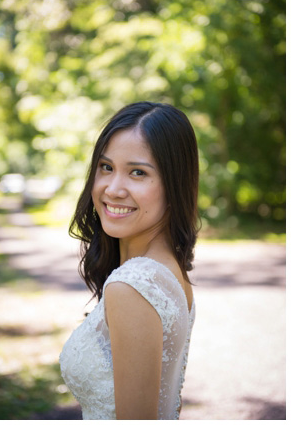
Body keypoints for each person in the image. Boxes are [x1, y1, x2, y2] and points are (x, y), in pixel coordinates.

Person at [59, 102, 198, 419]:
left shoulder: (133, 287)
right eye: (106, 167)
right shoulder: (169, 270)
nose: (113, 188)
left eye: (138, 172)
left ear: (174, 183)